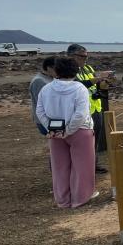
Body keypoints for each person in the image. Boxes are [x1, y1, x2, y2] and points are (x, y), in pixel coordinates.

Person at [36, 57, 98, 208]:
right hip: (80, 131)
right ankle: (80, 198)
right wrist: (69, 130)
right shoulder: (79, 88)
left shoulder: (46, 88)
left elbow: (40, 111)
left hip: (55, 132)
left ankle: (63, 200)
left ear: (56, 70)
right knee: (82, 165)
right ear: (75, 71)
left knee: (59, 167)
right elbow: (81, 114)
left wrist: (52, 128)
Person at [67, 44, 113, 173]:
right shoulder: (67, 71)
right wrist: (99, 78)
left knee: (95, 140)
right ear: (71, 56)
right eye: (82, 56)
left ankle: (93, 164)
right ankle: (82, 168)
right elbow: (77, 85)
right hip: (81, 112)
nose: (85, 59)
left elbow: (97, 86)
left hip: (95, 108)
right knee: (82, 142)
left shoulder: (87, 68)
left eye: (86, 56)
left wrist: (105, 82)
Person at [29, 56, 56, 135]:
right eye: (58, 68)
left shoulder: (50, 78)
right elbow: (43, 105)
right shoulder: (39, 81)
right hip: (45, 121)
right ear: (49, 68)